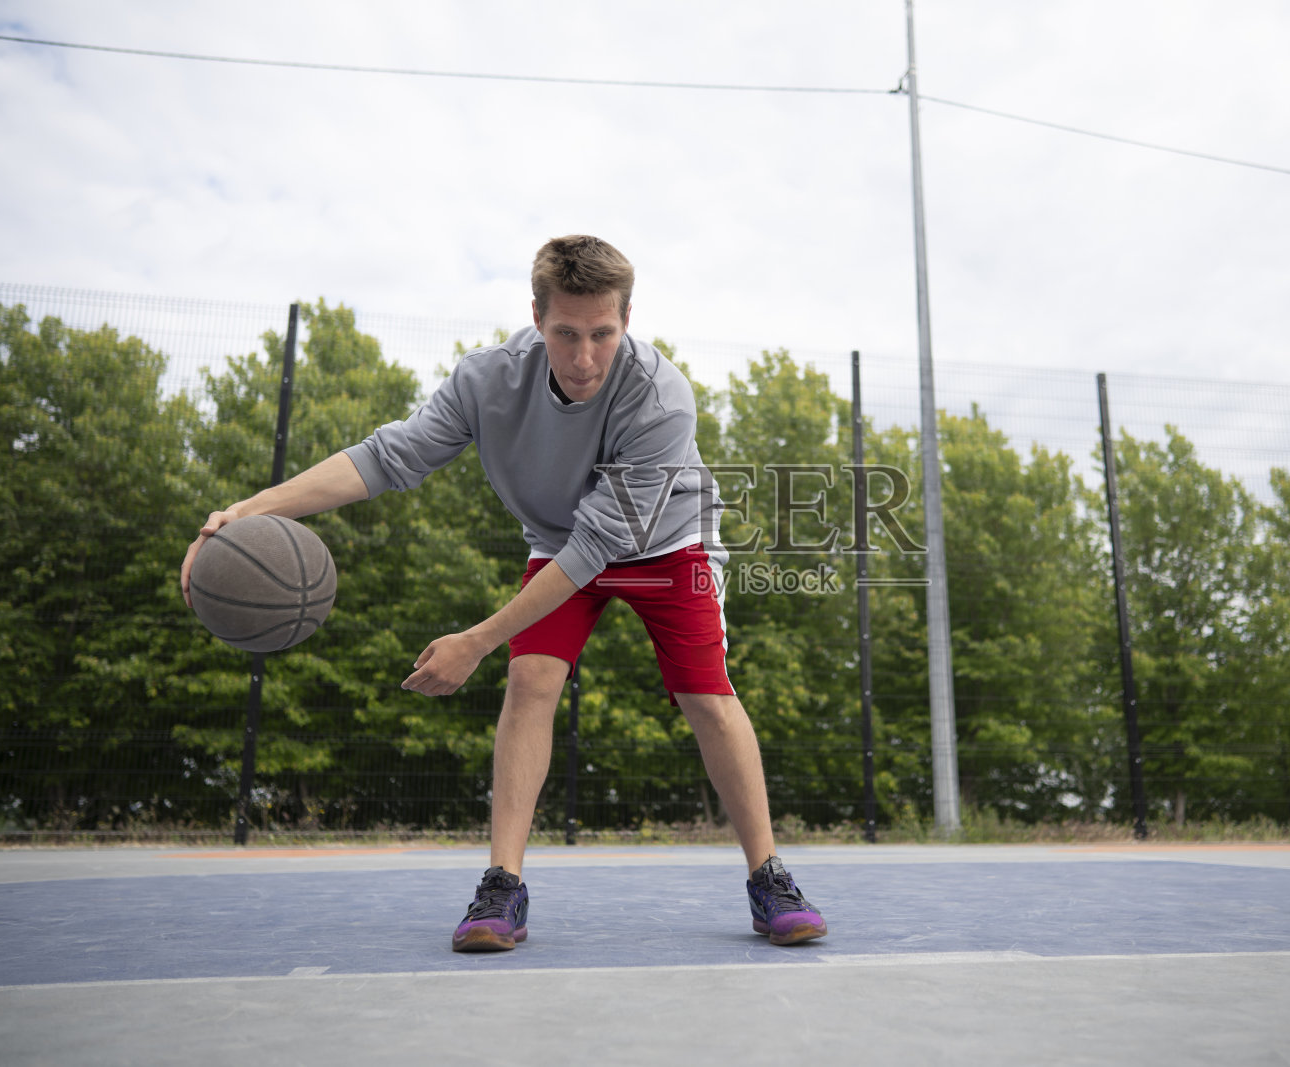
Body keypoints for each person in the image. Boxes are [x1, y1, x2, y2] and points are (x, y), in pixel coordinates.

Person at [181, 235, 826, 951]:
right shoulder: (488, 380)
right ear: (536, 317)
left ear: (628, 318)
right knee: (531, 681)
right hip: (560, 538)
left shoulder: (661, 396)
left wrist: (476, 640)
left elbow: (596, 549)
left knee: (705, 692)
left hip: (667, 541)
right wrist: (250, 510)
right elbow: (388, 457)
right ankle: (502, 887)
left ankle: (769, 876)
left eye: (603, 334)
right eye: (566, 334)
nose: (585, 357)